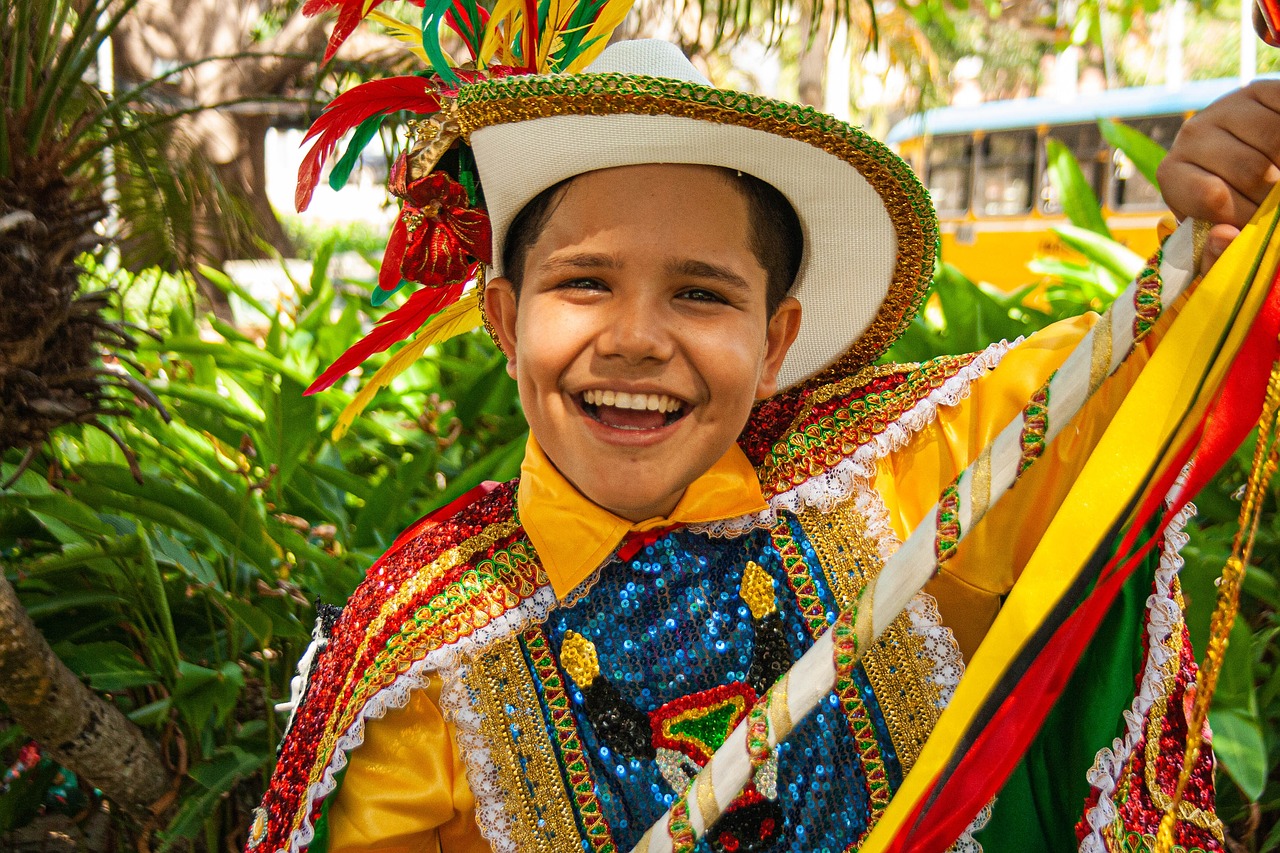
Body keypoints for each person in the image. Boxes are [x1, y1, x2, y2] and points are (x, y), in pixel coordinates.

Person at [247, 6, 1280, 850]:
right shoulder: (427, 652)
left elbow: (1127, 363)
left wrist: (1219, 218)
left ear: (775, 338)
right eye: (584, 283)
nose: (637, 338)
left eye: (699, 294)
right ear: (506, 321)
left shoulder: (890, 484)